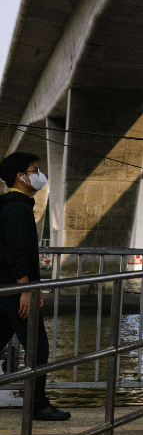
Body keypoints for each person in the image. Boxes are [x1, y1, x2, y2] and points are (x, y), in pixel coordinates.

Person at [0, 152, 69, 421]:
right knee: (38, 347)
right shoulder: (17, 208)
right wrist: (26, 290)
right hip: (15, 291)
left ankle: (37, 402)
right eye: (34, 169)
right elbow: (16, 254)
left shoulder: (13, 205)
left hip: (8, 290)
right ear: (21, 177)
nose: (39, 174)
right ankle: (37, 404)